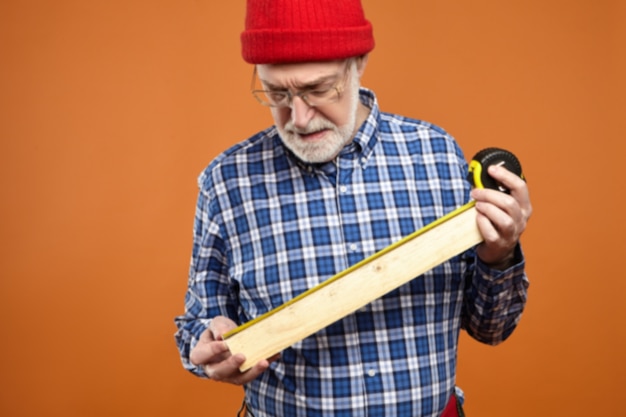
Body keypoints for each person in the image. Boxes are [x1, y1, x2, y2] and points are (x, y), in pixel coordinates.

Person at [174, 0, 532, 416]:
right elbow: (198, 325)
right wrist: (209, 345)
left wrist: (500, 252)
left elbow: (492, 328)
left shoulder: (436, 157)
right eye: (278, 94)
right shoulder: (226, 181)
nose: (300, 117)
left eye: (318, 89)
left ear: (358, 62)